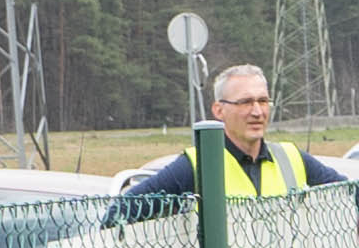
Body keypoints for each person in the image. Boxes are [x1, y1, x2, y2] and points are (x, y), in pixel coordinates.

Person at [104, 58, 322, 226]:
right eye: (245, 102)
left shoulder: (292, 159)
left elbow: (353, 194)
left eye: (263, 101)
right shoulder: (196, 166)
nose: (257, 111)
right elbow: (118, 215)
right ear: (219, 110)